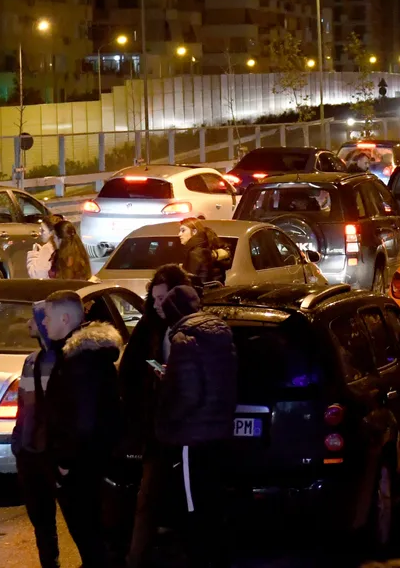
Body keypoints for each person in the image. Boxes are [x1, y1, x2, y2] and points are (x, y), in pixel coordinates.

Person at [13, 290, 124, 568]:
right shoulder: (77, 355)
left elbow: (81, 419)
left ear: (65, 318)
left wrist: (64, 461)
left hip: (80, 465)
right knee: (88, 533)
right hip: (83, 461)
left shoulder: (80, 361)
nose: (43, 323)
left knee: (88, 533)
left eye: (47, 317)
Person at [154, 281, 238, 568]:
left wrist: (167, 415)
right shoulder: (220, 335)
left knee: (192, 505)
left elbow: (188, 392)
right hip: (217, 431)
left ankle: (201, 558)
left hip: (192, 434)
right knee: (212, 500)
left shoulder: (184, 339)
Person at [121, 264, 192, 568]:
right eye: (155, 298)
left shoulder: (191, 328)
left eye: (164, 299)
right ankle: (136, 559)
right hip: (156, 429)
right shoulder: (148, 328)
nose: (159, 305)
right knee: (147, 498)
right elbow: (128, 373)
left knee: (188, 501)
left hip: (188, 430)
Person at [179, 218, 230, 288]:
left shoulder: (195, 253)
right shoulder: (206, 249)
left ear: (194, 232)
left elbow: (195, 284)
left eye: (183, 230)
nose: (179, 234)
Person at [26, 214, 65, 279]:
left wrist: (33, 255)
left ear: (52, 233)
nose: (40, 233)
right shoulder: (66, 244)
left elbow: (36, 275)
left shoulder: (48, 248)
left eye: (43, 230)